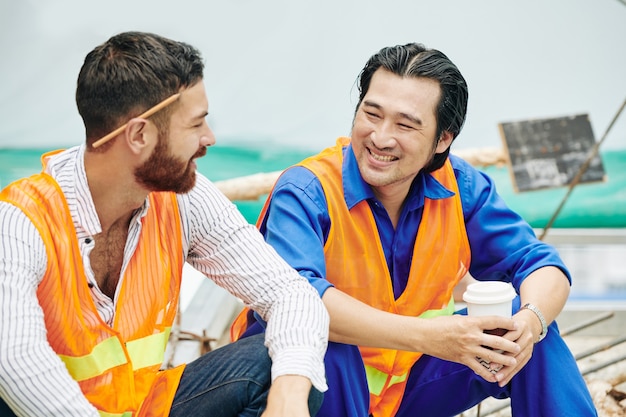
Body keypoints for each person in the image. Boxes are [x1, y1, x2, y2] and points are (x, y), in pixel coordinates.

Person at [231, 43, 598, 416]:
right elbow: (299, 301)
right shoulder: (307, 192)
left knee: (525, 333)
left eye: (405, 124)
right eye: (371, 114)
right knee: (325, 342)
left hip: (406, 385)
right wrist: (433, 337)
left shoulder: (461, 187)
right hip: (314, 389)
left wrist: (530, 322)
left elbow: (539, 264)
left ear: (443, 139)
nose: (380, 137)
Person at [0, 31, 329, 417]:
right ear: (139, 135)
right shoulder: (19, 220)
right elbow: (15, 358)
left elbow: (292, 294)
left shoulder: (181, 199)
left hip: (142, 407)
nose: (209, 139)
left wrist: (288, 398)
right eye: (195, 125)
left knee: (283, 370)